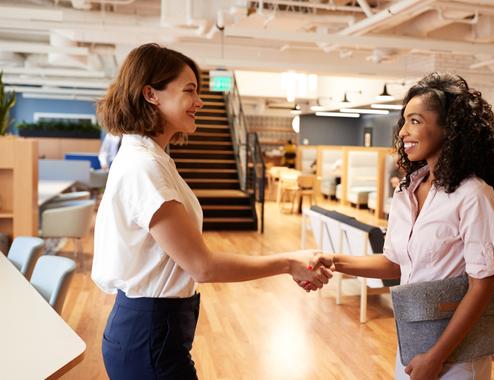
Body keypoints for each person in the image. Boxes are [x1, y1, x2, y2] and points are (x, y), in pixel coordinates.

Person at [91, 43, 330, 379]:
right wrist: (289, 262)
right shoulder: (144, 167)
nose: (200, 101)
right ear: (151, 94)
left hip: (150, 331)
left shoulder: (150, 159)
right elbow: (202, 266)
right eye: (190, 91)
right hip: (148, 336)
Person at [308, 72, 494, 379]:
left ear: (449, 129)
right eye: (403, 121)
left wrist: (436, 358)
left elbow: (482, 285)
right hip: (413, 339)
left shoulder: (473, 195)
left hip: (455, 356)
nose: (403, 131)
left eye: (415, 121)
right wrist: (334, 261)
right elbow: (394, 264)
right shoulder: (407, 190)